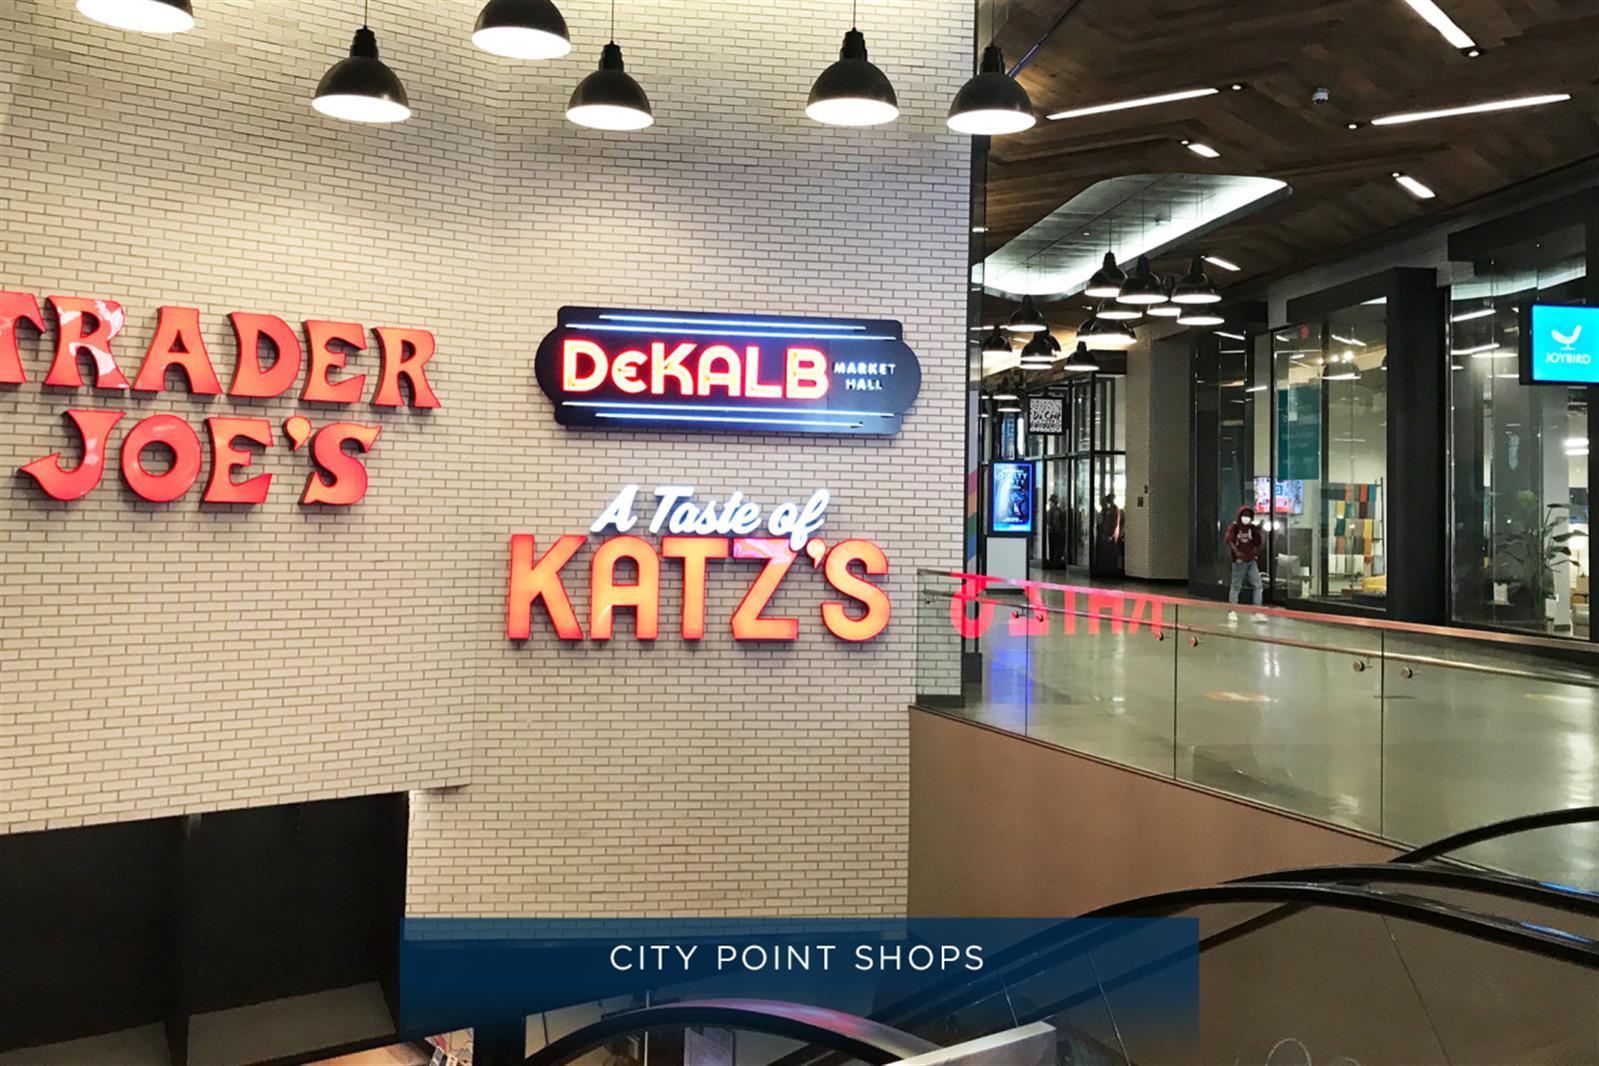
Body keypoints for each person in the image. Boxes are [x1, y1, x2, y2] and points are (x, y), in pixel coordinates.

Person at [1225, 504, 1267, 623]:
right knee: (1236, 586)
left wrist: (1260, 531)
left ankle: (1257, 610)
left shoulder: (1252, 528)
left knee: (1258, 585)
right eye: (1244, 515)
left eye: (1249, 515)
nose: (1246, 517)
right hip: (1239, 562)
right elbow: (1230, 541)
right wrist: (1237, 553)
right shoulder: (1234, 527)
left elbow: (1258, 543)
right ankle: (1232, 610)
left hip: (1251, 561)